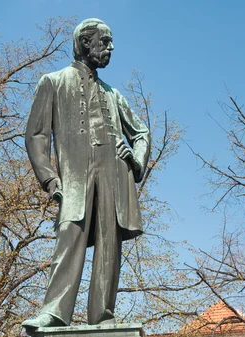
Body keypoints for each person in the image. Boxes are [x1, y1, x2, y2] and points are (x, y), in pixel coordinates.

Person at [22, 18, 150, 329]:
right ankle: (54, 311)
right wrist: (51, 180)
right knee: (71, 235)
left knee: (109, 244)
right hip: (75, 176)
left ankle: (103, 316)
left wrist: (134, 158)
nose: (111, 48)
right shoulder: (53, 82)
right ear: (84, 43)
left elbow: (142, 132)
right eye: (104, 42)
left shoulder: (114, 94)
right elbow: (36, 135)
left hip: (114, 174)